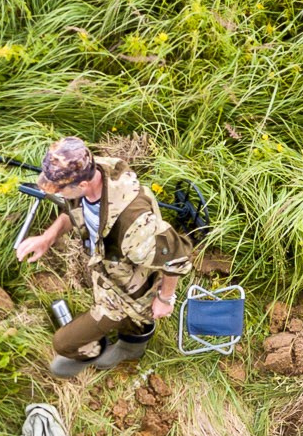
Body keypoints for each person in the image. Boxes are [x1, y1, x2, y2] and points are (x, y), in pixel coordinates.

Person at [14, 137, 194, 379]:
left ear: (85, 183)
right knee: (130, 323)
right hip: (108, 272)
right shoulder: (94, 171)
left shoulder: (134, 226)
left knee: (63, 344)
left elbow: (178, 257)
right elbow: (73, 213)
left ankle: (100, 350)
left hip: (130, 292)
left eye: (60, 190)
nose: (58, 194)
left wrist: (165, 298)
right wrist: (48, 237)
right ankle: (130, 345)